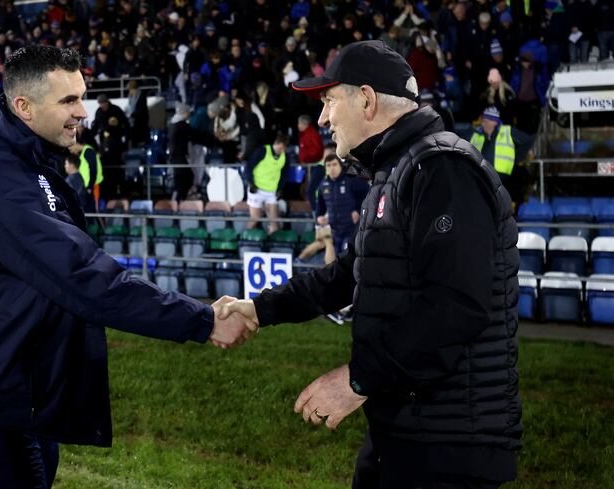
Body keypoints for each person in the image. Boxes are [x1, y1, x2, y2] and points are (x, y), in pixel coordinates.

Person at [0, 46, 256, 488]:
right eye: (68, 101)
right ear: (23, 106)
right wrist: (202, 320)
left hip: (0, 359)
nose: (82, 112)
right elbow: (86, 277)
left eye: (81, 96)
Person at [219, 40, 521, 488]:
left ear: (366, 99)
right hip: (405, 427)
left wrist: (356, 380)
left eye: (328, 101)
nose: (322, 118)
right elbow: (347, 275)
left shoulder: (443, 169)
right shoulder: (398, 169)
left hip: (450, 441)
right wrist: (260, 308)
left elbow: (456, 307)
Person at [470, 106, 534, 206]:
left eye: (486, 121)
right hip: (481, 175)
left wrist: (516, 159)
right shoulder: (476, 134)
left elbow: (528, 140)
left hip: (502, 176)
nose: (483, 123)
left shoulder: (507, 131)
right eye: (483, 120)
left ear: (494, 122)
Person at [315, 153, 368, 263]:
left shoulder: (351, 181)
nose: (332, 168)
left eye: (334, 164)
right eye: (328, 165)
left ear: (340, 166)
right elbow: (320, 204)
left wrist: (358, 211)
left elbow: (367, 194)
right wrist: (319, 216)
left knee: (348, 259)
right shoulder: (323, 185)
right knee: (335, 261)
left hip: (351, 229)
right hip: (334, 230)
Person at [244, 134, 289, 234]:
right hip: (256, 189)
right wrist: (251, 183)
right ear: (277, 143)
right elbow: (248, 167)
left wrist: (279, 189)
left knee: (274, 222)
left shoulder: (285, 157)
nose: (282, 151)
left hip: (271, 192)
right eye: (281, 147)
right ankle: (244, 238)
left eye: (284, 149)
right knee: (255, 218)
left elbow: (284, 174)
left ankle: (271, 245)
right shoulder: (262, 151)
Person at [297, 114, 325, 210]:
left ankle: (315, 212)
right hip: (308, 167)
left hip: (313, 167)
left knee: (310, 190)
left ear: (304, 123)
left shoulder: (312, 135)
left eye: (299, 123)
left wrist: (307, 160)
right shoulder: (305, 134)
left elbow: (317, 151)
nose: (298, 126)